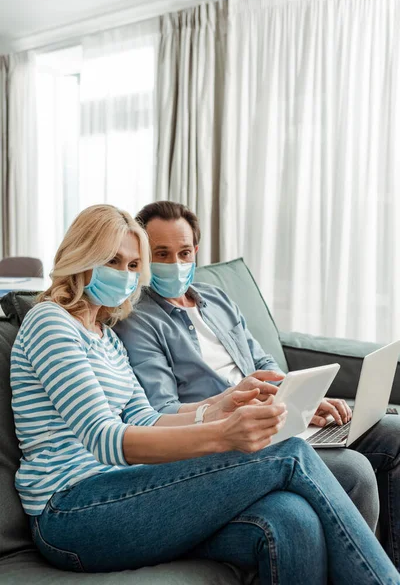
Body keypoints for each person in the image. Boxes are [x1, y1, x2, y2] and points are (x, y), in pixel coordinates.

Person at [10, 204, 399, 583]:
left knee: (292, 517)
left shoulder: (106, 335)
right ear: (82, 256)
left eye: (132, 265)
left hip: (117, 493)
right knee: (289, 453)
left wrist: (217, 407)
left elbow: (145, 418)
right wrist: (224, 435)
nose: (126, 275)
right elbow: (106, 438)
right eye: (113, 261)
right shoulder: (50, 322)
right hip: (70, 510)